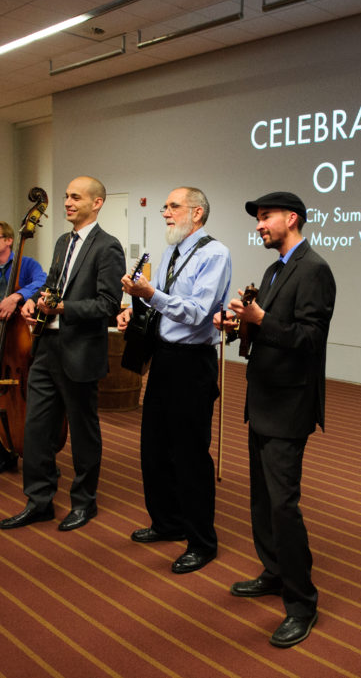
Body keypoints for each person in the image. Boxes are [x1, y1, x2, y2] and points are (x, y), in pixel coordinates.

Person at [215, 192, 335, 648]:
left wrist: (260, 317)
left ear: (292, 219)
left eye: (266, 217)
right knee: (262, 499)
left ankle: (302, 603)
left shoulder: (315, 270)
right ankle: (274, 571)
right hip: (263, 399)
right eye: (258, 219)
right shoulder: (273, 269)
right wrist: (237, 324)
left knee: (283, 504)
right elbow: (261, 329)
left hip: (289, 405)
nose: (260, 225)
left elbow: (309, 339)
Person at [0, 176, 125, 532]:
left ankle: (85, 503)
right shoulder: (61, 242)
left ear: (97, 202)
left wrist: (63, 307)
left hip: (80, 351)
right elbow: (51, 286)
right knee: (37, 430)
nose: (67, 202)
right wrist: (32, 303)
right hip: (45, 348)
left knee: (84, 434)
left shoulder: (108, 246)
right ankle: (39, 501)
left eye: (75, 197)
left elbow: (107, 305)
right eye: (66, 196)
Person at [117, 187, 232, 574]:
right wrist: (134, 306)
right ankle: (167, 523)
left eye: (173, 206)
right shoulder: (171, 252)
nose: (165, 212)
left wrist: (152, 294)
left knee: (190, 456)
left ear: (197, 213)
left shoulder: (215, 253)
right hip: (165, 359)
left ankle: (202, 542)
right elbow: (162, 304)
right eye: (165, 206)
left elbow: (199, 313)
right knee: (154, 447)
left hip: (192, 364)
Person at [0, 220, 47, 476]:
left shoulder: (28, 265)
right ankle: (5, 454)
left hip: (23, 342)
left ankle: (37, 453)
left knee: (32, 401)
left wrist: (16, 297)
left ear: (9, 240)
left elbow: (42, 283)